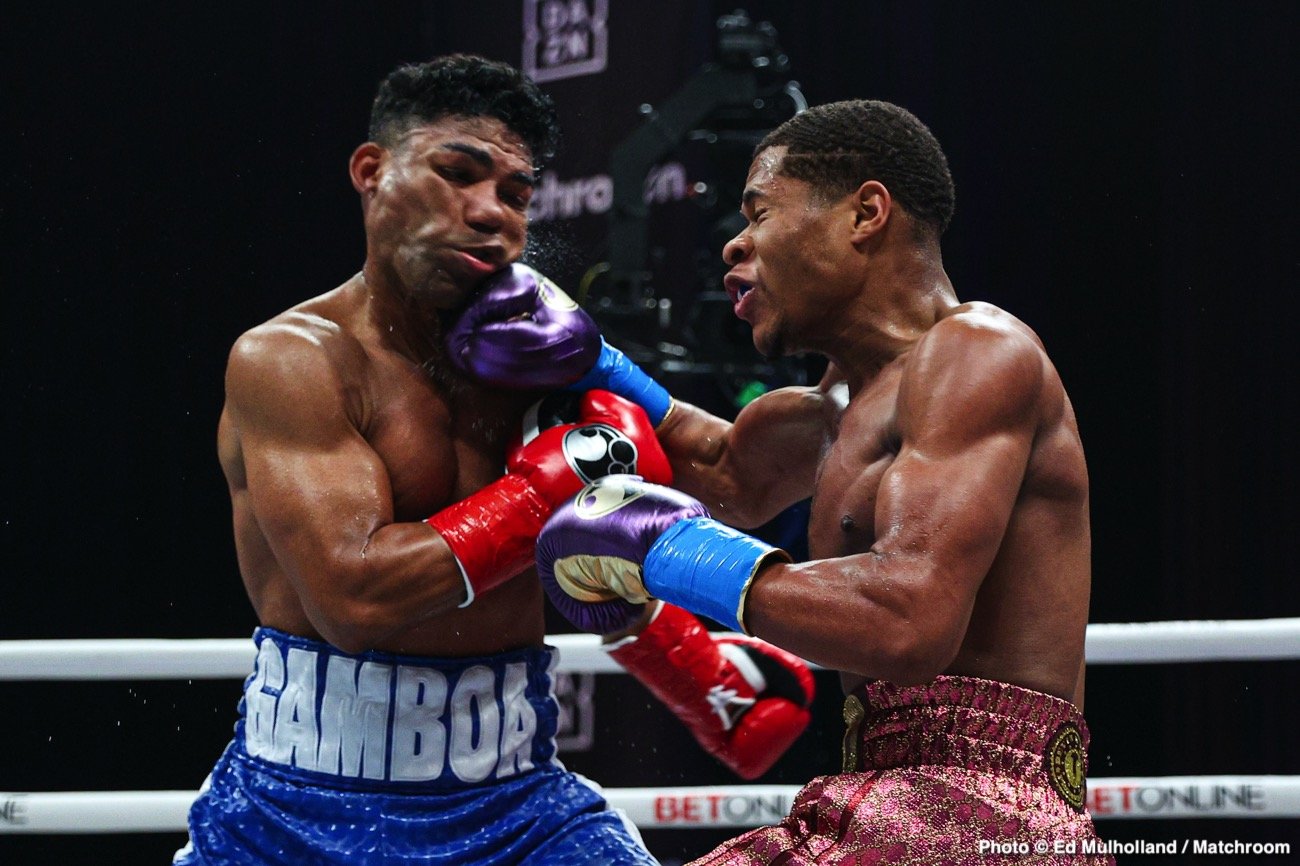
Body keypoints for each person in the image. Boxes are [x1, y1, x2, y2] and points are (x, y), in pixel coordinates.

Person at [180, 55, 812, 866]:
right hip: (296, 813)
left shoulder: (542, 349)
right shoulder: (294, 360)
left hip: (518, 804)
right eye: (457, 174)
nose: (491, 214)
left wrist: (861, 367)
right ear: (372, 173)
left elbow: (735, 477)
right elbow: (356, 598)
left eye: (515, 194)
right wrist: (551, 487)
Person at [527, 99, 1114, 863]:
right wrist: (588, 360)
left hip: (981, 819)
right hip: (879, 797)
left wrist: (666, 550)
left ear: (865, 213)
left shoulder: (979, 352)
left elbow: (907, 621)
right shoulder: (833, 407)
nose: (735, 243)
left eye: (760, 212)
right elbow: (721, 477)